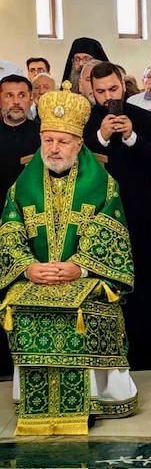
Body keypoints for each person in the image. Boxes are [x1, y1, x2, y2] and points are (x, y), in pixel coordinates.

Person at [0, 82, 138, 435]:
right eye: (48, 140)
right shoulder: (21, 186)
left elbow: (112, 236)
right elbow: (9, 233)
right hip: (35, 277)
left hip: (86, 279)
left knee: (91, 303)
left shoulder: (103, 184)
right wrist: (27, 267)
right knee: (19, 302)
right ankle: (36, 400)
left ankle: (95, 397)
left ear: (79, 143)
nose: (54, 148)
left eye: (63, 141)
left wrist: (80, 267)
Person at [83, 62, 151, 370]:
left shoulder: (143, 119)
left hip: (140, 216)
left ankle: (150, 359)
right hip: (98, 220)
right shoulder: (86, 122)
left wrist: (133, 137)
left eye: (113, 89)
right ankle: (108, 359)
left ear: (123, 85)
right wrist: (101, 138)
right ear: (92, 92)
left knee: (145, 285)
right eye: (101, 91)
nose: (109, 97)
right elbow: (76, 164)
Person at [0, 74, 41, 377]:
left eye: (22, 95)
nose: (16, 101)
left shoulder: (43, 135)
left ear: (31, 99)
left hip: (30, 226)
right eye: (9, 95)